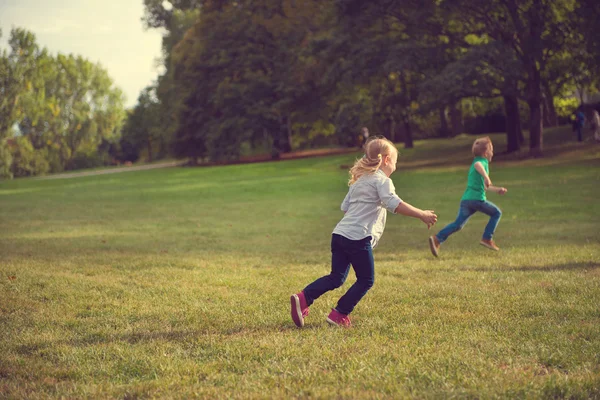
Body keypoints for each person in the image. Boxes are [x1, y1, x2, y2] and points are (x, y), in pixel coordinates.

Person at [290, 137, 438, 328]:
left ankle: (303, 297)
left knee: (336, 277)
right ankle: (339, 314)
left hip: (340, 234)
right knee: (366, 279)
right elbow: (395, 204)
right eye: (394, 160)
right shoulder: (383, 181)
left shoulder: (359, 182)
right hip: (358, 238)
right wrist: (422, 214)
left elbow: (345, 207)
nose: (395, 165)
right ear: (385, 160)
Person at [428, 136, 507, 257]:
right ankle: (487, 238)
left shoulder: (478, 163)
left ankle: (437, 239)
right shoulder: (481, 162)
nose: (493, 152)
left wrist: (497, 190)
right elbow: (478, 165)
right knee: (496, 213)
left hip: (467, 200)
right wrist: (486, 176)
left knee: (458, 224)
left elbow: (484, 187)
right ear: (486, 153)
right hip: (476, 200)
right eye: (491, 150)